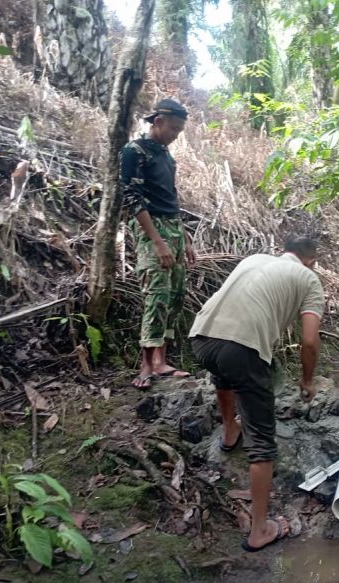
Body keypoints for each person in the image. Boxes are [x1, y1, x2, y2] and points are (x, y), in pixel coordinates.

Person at [189, 237, 324, 552]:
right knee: (262, 439)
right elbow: (309, 341)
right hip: (242, 348)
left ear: (284, 251)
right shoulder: (309, 278)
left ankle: (230, 431)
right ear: (311, 261)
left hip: (201, 338)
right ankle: (260, 530)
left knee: (224, 372)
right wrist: (307, 381)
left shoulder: (254, 259)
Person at [122, 98, 197, 389]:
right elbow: (132, 198)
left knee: (174, 295)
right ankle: (145, 366)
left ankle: (161, 361)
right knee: (155, 293)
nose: (176, 134)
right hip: (150, 228)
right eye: (174, 128)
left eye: (180, 130)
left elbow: (172, 199)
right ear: (158, 122)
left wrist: (185, 239)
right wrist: (157, 242)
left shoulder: (166, 156)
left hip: (174, 229)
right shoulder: (134, 151)